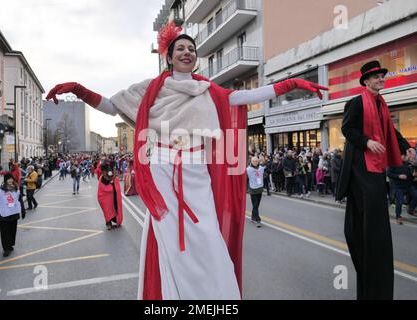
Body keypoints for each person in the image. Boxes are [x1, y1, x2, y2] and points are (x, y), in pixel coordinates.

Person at [46, 21, 327, 300]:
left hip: (196, 170)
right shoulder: (150, 89)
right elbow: (111, 106)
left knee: (207, 238)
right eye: (179, 48)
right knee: (168, 242)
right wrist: (78, 90)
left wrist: (290, 84)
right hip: (162, 169)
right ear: (168, 57)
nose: (186, 52)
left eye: (191, 49)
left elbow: (243, 96)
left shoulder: (207, 90)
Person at [336, 61, 414, 300]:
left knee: (376, 222)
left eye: (382, 75)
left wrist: (406, 148)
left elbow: (390, 129)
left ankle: (376, 268)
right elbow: (347, 129)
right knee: (368, 218)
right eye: (377, 76)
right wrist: (367, 142)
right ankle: (369, 259)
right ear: (366, 81)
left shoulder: (381, 104)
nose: (381, 78)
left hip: (376, 167)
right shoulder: (357, 102)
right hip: (360, 166)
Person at [0, 173, 26, 257]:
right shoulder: (0, 190)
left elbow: (19, 201)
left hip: (13, 214)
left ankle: (10, 245)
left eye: (11, 178)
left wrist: (23, 211)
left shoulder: (16, 189)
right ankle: (6, 249)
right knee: (4, 232)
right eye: (8, 179)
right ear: (5, 180)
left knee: (12, 231)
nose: (10, 180)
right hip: (3, 216)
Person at [387, 153, 412, 225]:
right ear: (400, 156)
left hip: (408, 186)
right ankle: (398, 216)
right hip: (398, 186)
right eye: (405, 156)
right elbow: (389, 173)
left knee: (415, 195)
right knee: (400, 202)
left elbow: (410, 175)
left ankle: (411, 210)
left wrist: (413, 175)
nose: (406, 157)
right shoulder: (394, 164)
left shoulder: (408, 164)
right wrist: (399, 176)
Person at [97, 161, 123, 230]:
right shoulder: (102, 179)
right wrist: (111, 185)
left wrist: (112, 182)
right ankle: (108, 222)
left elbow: (116, 187)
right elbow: (103, 188)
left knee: (113, 209)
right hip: (105, 198)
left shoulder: (113, 176)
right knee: (107, 210)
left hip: (112, 198)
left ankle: (115, 220)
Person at [247, 157, 264, 227]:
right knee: (255, 205)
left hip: (260, 189)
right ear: (251, 161)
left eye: (256, 161)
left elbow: (268, 167)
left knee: (257, 205)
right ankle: (258, 220)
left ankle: (253, 217)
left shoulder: (261, 168)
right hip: (253, 189)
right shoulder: (248, 169)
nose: (255, 162)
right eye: (254, 161)